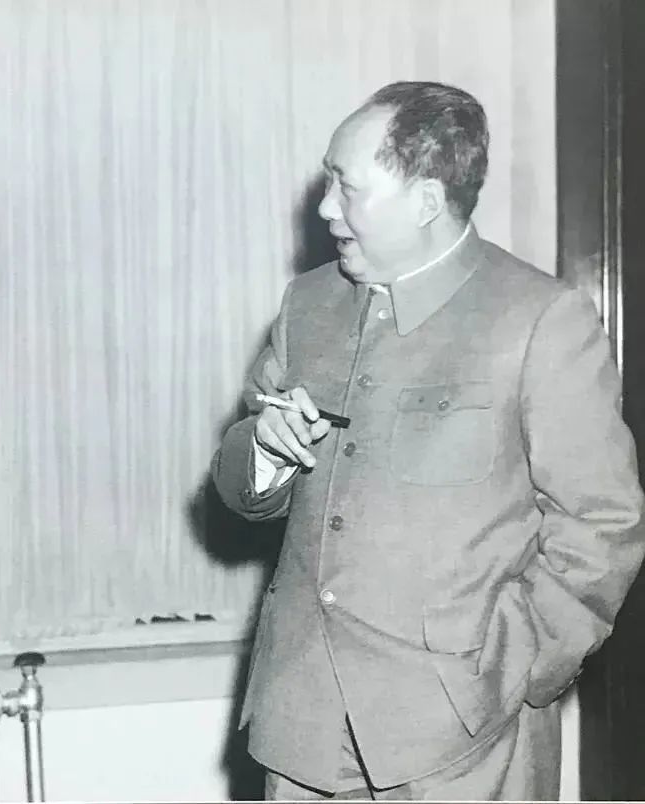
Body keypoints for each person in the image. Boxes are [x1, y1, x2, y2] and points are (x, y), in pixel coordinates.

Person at [212, 81, 645, 801]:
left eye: (348, 187)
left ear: (426, 200)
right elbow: (235, 484)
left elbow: (602, 526)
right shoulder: (307, 304)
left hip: (465, 743)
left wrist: (511, 667)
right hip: (300, 729)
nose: (325, 208)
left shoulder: (541, 320)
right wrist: (264, 450)